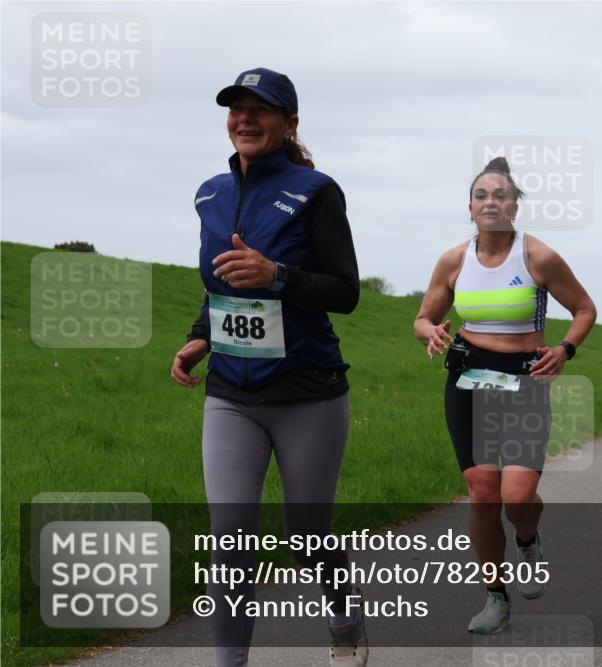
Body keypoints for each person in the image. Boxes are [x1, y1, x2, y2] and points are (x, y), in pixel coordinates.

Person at [170, 68, 366, 667]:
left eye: (262, 109)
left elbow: (346, 291)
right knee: (230, 546)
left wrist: (278, 275)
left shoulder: (316, 191)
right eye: (236, 109)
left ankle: (345, 624)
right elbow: (220, 282)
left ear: (290, 124)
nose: (245, 119)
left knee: (307, 542)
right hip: (231, 394)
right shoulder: (208, 193)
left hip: (308, 392)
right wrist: (201, 335)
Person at [413, 157, 596, 634]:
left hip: (525, 380)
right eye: (481, 195)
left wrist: (565, 348)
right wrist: (431, 332)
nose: (490, 202)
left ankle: (529, 536)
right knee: (482, 494)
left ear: (516, 205)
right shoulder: (454, 260)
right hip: (469, 379)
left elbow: (584, 308)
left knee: (517, 497)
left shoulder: (538, 257)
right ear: (469, 207)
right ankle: (495, 596)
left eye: (501, 195)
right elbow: (422, 317)